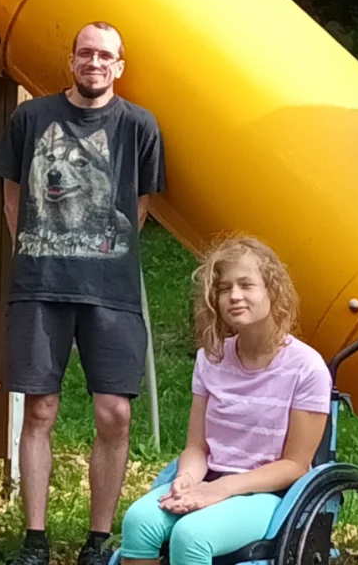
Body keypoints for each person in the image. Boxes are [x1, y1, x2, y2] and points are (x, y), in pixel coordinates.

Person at [0, 21, 166, 565]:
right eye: (85, 53)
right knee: (39, 408)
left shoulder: (139, 126)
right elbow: (12, 196)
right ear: (71, 60)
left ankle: (98, 540)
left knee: (114, 412)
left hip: (109, 291)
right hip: (40, 285)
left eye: (105, 56)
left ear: (119, 66)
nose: (94, 63)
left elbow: (137, 208)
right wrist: (44, 245)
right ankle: (36, 540)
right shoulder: (32, 118)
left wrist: (99, 249)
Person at [117, 237, 330, 565]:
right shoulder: (210, 359)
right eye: (224, 288)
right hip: (209, 478)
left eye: (247, 285)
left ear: (272, 291)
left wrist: (222, 489)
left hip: (269, 496)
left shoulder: (307, 368)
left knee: (192, 536)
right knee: (139, 522)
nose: (234, 296)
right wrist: (186, 480)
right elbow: (197, 448)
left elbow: (295, 465)